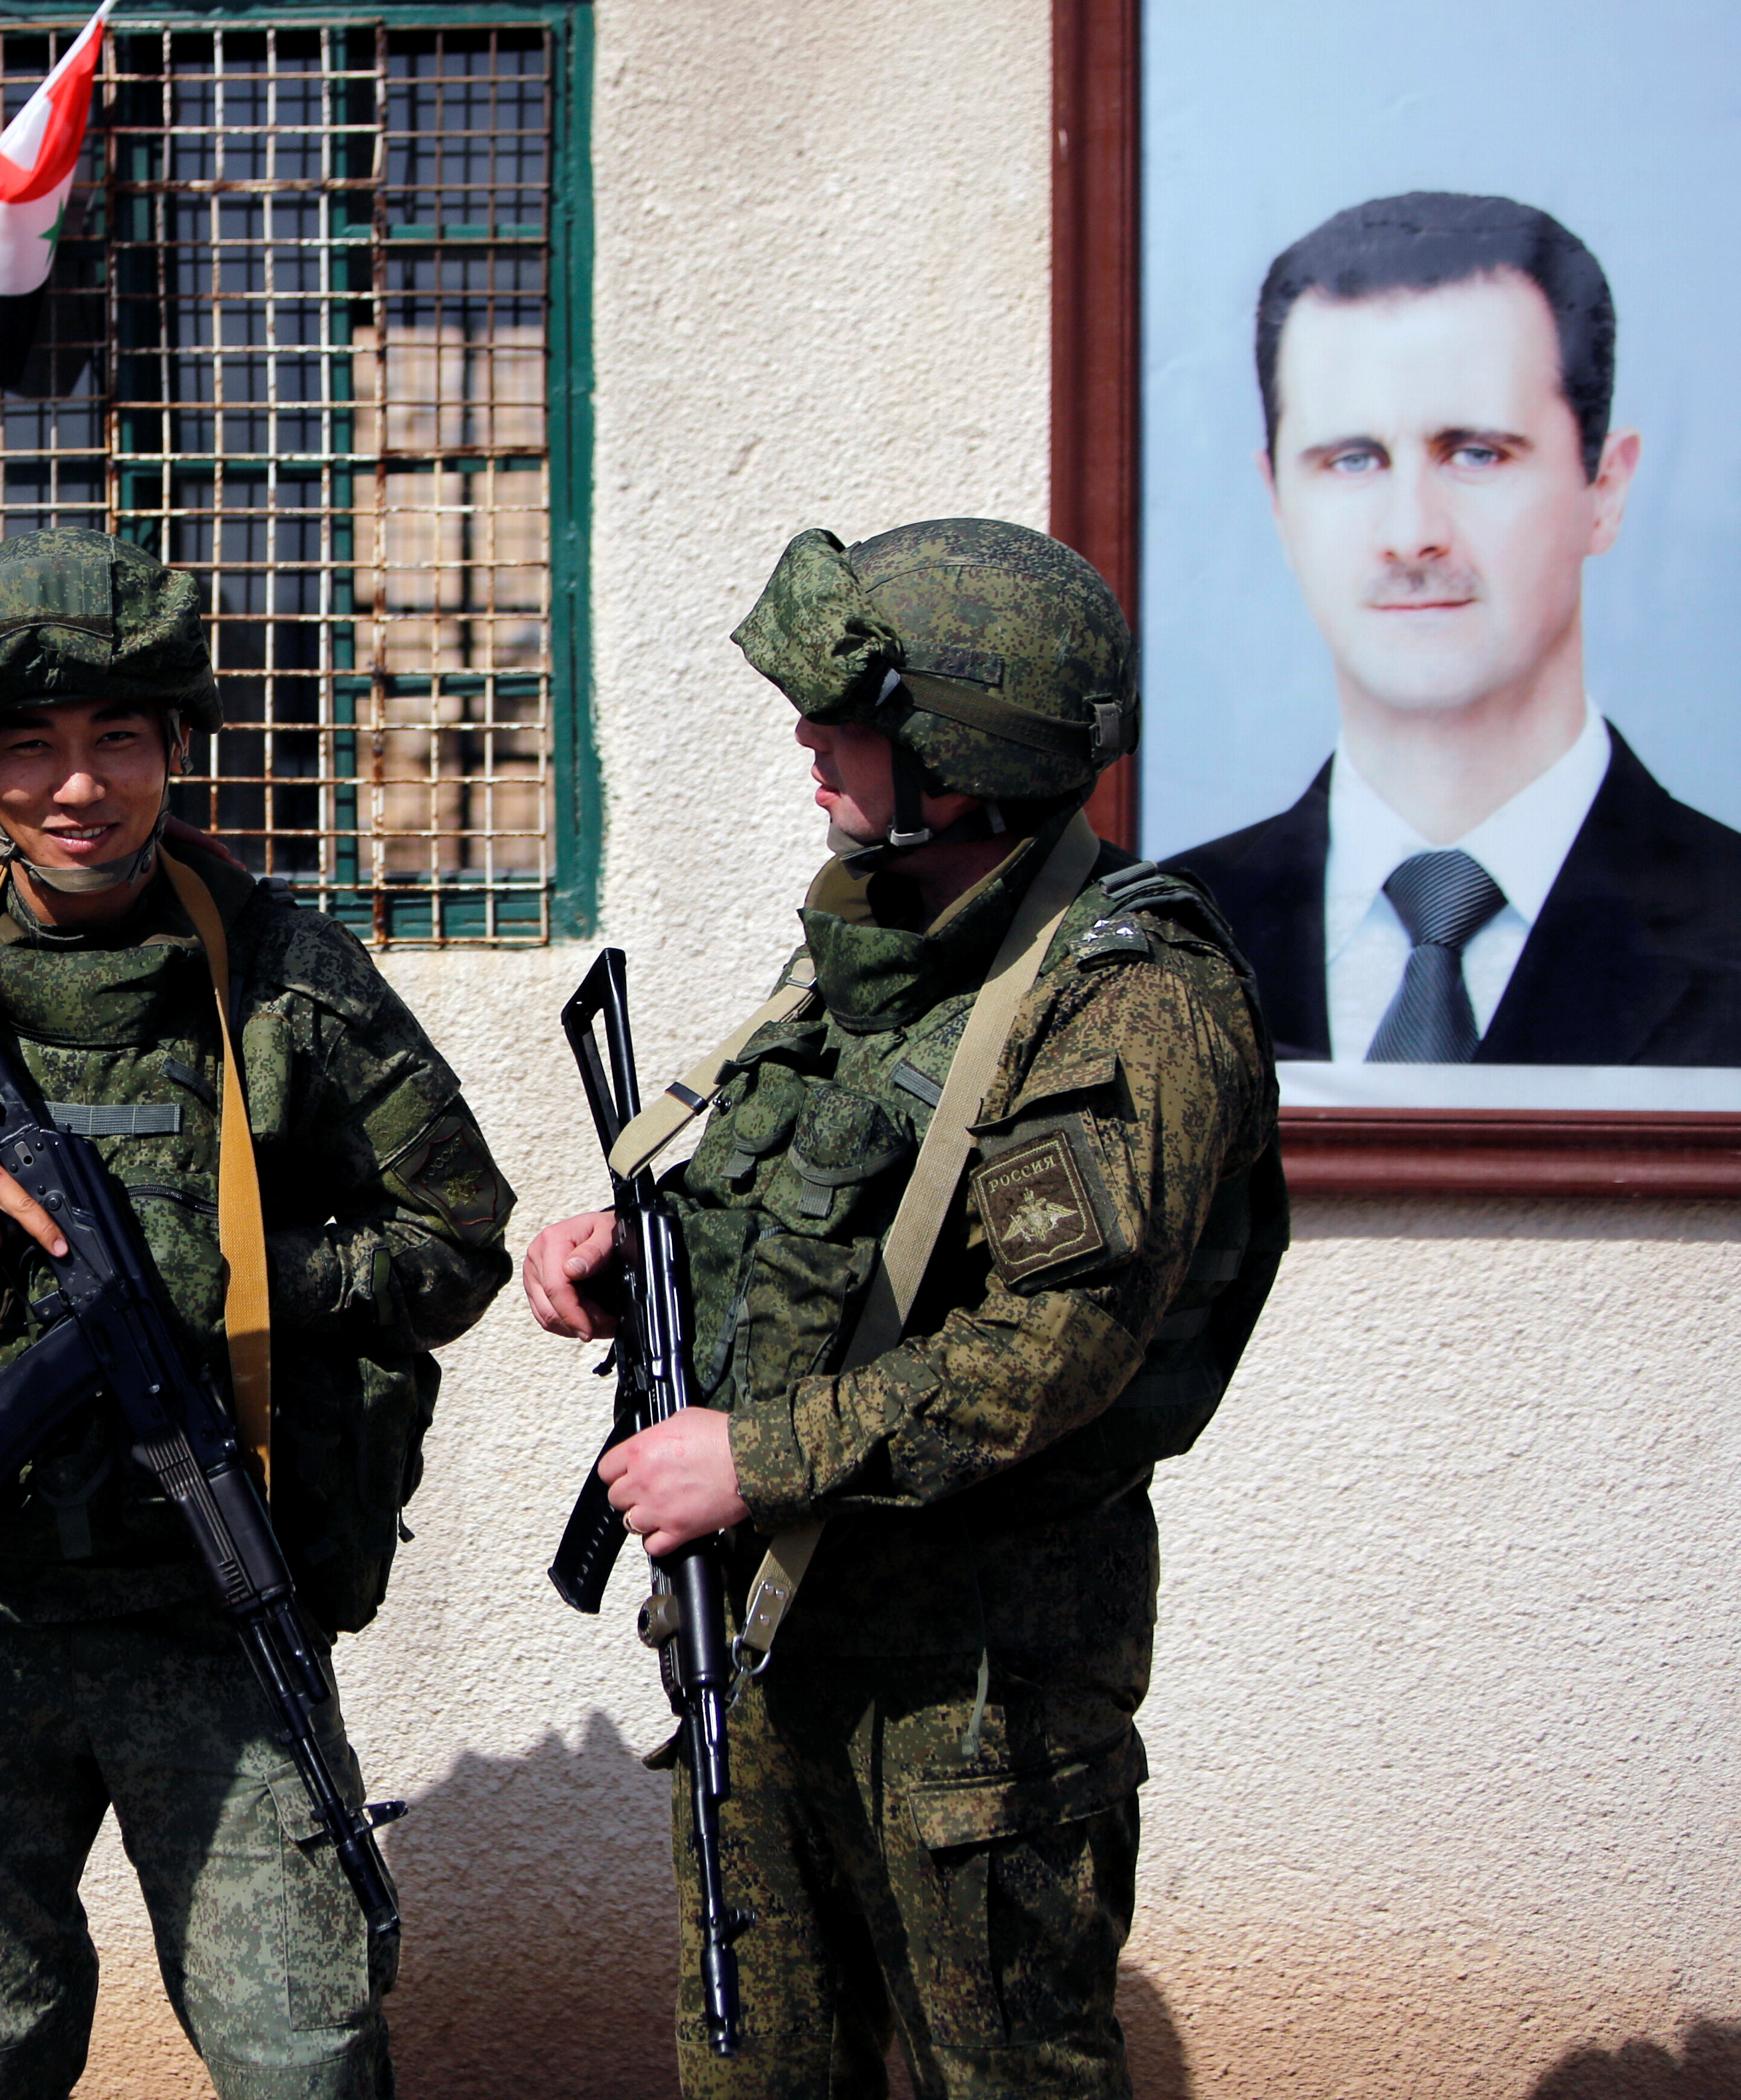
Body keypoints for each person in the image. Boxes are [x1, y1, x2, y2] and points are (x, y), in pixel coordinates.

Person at [0, 527, 515, 2100]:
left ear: (176, 746)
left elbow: (455, 1243)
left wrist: (231, 1283)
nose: (78, 787)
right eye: (29, 748)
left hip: (211, 1609)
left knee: (304, 2053)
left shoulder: (286, 974)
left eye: (119, 740)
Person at [524, 520, 1286, 2099]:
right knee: (753, 2074)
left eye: (846, 715)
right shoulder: (877, 949)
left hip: (971, 1696)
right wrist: (644, 1255)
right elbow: (837, 1225)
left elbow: (1047, 1350)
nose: (807, 741)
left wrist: (756, 1459)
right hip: (768, 1644)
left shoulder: (1128, 997)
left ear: (960, 754)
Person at [1167, 192, 1741, 1065]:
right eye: (1352, 460)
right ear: (1278, 502)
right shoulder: (1151, 945)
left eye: (1477, 453)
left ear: (1606, 490)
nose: (1411, 534)